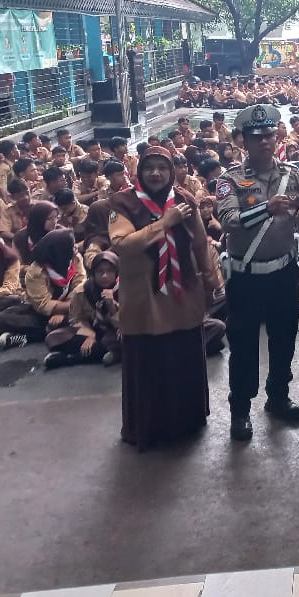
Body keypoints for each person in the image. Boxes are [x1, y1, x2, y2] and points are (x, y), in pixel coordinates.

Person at [109, 147, 221, 450]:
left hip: (181, 292)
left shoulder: (185, 199)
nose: (155, 173)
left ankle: (186, 422)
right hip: (144, 296)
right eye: (149, 168)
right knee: (149, 362)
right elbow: (123, 244)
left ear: (171, 171)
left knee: (181, 355)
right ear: (139, 172)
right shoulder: (123, 203)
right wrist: (165, 222)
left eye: (162, 167)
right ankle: (148, 427)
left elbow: (200, 243)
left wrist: (210, 278)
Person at [215, 104, 299, 441]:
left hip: (283, 272)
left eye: (270, 135)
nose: (265, 142)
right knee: (242, 345)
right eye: (257, 137)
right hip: (245, 276)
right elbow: (228, 221)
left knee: (284, 338)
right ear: (244, 141)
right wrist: (264, 208)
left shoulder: (293, 174)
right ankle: (240, 410)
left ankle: (278, 396)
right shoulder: (230, 180)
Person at [43, 251, 122, 370]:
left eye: (110, 271)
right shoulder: (82, 291)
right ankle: (110, 353)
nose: (105, 275)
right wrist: (90, 335)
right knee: (52, 338)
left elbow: (130, 322)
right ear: (93, 273)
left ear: (116, 272)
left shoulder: (125, 289)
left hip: (116, 332)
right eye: (100, 271)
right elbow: (76, 319)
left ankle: (69, 359)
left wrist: (111, 306)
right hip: (93, 330)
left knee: (128, 338)